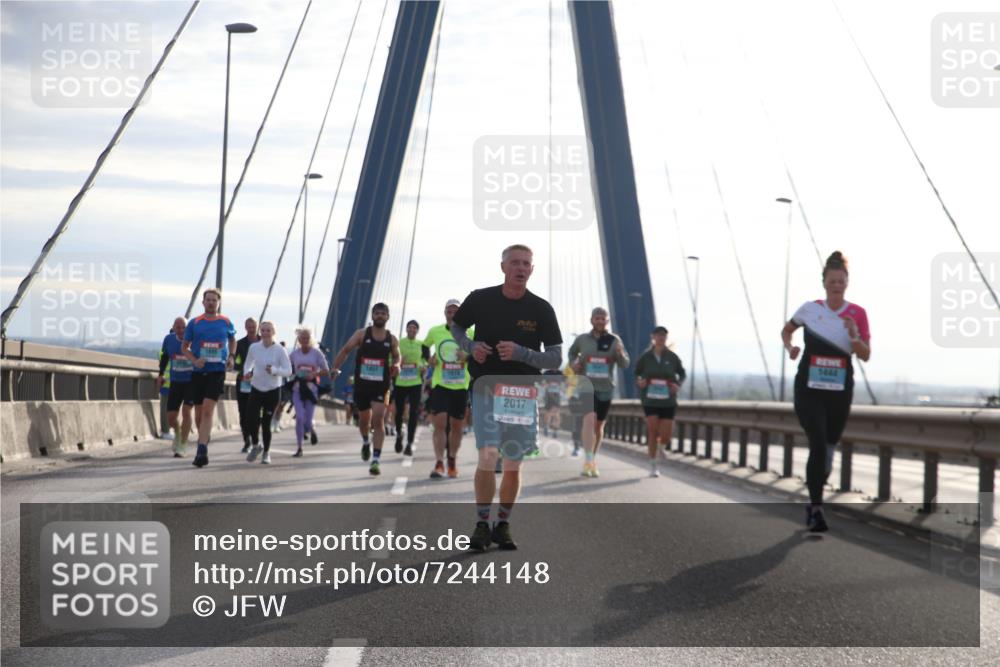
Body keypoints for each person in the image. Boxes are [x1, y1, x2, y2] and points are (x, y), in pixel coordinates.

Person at [451, 245, 562, 551]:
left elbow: (555, 358)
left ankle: (502, 524)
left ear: (532, 270)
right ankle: (482, 525)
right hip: (487, 387)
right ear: (503, 267)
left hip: (522, 392)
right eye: (515, 263)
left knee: (513, 463)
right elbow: (457, 326)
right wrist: (471, 346)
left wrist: (521, 353)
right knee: (488, 455)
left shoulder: (541, 309)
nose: (521, 268)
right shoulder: (480, 298)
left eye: (526, 263)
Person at [782, 251, 870, 533]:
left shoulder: (857, 313)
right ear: (824, 282)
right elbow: (786, 331)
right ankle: (816, 508)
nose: (837, 285)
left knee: (827, 452)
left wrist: (854, 335)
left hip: (839, 391)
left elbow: (866, 355)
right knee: (818, 443)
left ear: (847, 282)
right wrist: (790, 348)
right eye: (832, 281)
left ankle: (815, 494)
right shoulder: (810, 309)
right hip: (808, 387)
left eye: (841, 281)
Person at [331, 303, 400, 476]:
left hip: (382, 385)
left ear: (388, 317)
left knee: (378, 419)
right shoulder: (362, 334)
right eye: (377, 313)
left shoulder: (392, 339)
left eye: (383, 313)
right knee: (364, 421)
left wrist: (397, 365)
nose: (380, 316)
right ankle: (365, 441)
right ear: (372, 315)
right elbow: (346, 350)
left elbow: (397, 356)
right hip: (362, 384)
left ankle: (376, 460)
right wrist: (335, 368)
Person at [568, 307, 631, 477]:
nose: (600, 321)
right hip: (586, 386)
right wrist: (573, 363)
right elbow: (572, 353)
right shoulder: (582, 339)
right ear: (591, 320)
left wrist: (620, 353)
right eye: (597, 318)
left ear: (607, 321)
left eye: (603, 318)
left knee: (598, 425)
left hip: (606, 388)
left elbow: (625, 364)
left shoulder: (614, 340)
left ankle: (592, 459)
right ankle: (588, 459)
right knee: (589, 420)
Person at [182, 288, 237, 468]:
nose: (211, 303)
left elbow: (232, 340)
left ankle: (202, 449)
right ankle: (203, 438)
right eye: (208, 300)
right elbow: (185, 347)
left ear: (219, 303)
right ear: (203, 302)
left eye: (214, 300)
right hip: (199, 372)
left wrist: (231, 357)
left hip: (217, 371)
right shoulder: (194, 323)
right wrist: (194, 360)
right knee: (198, 414)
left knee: (207, 410)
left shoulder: (226, 321)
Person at [424, 300, 473, 479]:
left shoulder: (471, 332)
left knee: (457, 427)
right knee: (440, 424)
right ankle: (439, 463)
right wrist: (428, 359)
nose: (452, 314)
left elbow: (481, 352)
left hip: (461, 386)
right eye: (449, 311)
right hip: (440, 384)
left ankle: (451, 460)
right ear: (444, 313)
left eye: (456, 311)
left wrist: (468, 356)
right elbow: (424, 347)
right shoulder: (435, 331)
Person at [635, 326, 685, 478]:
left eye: (664, 335)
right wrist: (640, 381)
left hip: (668, 400)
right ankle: (653, 465)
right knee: (652, 431)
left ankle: (662, 447)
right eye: (658, 335)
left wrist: (678, 384)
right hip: (650, 400)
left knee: (666, 434)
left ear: (666, 338)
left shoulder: (672, 357)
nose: (661, 337)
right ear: (653, 337)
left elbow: (682, 374)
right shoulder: (645, 357)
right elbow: (637, 374)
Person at [243, 321, 292, 464]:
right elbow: (248, 364)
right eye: (263, 330)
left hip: (272, 390)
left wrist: (275, 371)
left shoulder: (279, 350)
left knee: (266, 423)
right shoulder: (254, 347)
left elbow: (288, 370)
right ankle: (257, 445)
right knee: (250, 418)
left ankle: (266, 452)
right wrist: (247, 373)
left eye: (268, 330)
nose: (265, 333)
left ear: (273, 332)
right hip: (256, 388)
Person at [288, 328, 330, 458]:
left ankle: (311, 429)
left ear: (310, 339)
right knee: (299, 417)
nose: (305, 340)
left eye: (307, 338)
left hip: (312, 390)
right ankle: (299, 448)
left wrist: (314, 374)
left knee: (307, 419)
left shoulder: (316, 354)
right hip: (298, 389)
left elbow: (326, 370)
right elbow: (287, 369)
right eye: (302, 338)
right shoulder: (294, 354)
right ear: (299, 340)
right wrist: (292, 374)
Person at [157, 317, 195, 457]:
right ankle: (178, 433)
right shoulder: (169, 339)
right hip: (175, 381)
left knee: (186, 411)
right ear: (173, 328)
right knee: (171, 417)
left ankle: (182, 445)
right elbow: (164, 357)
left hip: (191, 381)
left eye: (183, 327)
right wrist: (161, 374)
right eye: (177, 327)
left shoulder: (194, 340)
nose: (181, 330)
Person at [393, 319, 429, 456]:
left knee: (413, 412)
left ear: (417, 331)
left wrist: (424, 367)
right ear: (406, 330)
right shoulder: (399, 342)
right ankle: (398, 436)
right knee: (399, 412)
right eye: (410, 328)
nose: (412, 330)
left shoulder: (422, 344)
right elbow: (392, 358)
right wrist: (396, 363)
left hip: (415, 382)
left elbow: (427, 360)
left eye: (414, 328)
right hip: (401, 382)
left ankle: (409, 442)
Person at [234, 317, 259, 453]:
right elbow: (235, 362)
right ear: (245, 327)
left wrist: (255, 372)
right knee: (243, 413)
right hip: (243, 382)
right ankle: (247, 441)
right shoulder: (240, 344)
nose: (251, 329)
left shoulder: (264, 342)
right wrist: (244, 371)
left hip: (260, 382)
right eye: (249, 327)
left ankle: (255, 437)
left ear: (257, 326)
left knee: (256, 414)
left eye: (253, 326)